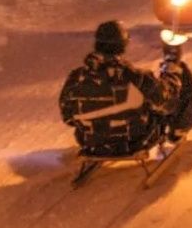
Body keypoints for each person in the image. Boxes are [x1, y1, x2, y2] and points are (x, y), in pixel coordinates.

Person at [58, 20, 177, 157]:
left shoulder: (76, 78)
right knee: (160, 100)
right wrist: (172, 76)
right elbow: (167, 103)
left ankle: (103, 139)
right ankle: (179, 131)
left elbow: (67, 116)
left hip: (91, 144)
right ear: (123, 45)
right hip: (134, 143)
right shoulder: (135, 77)